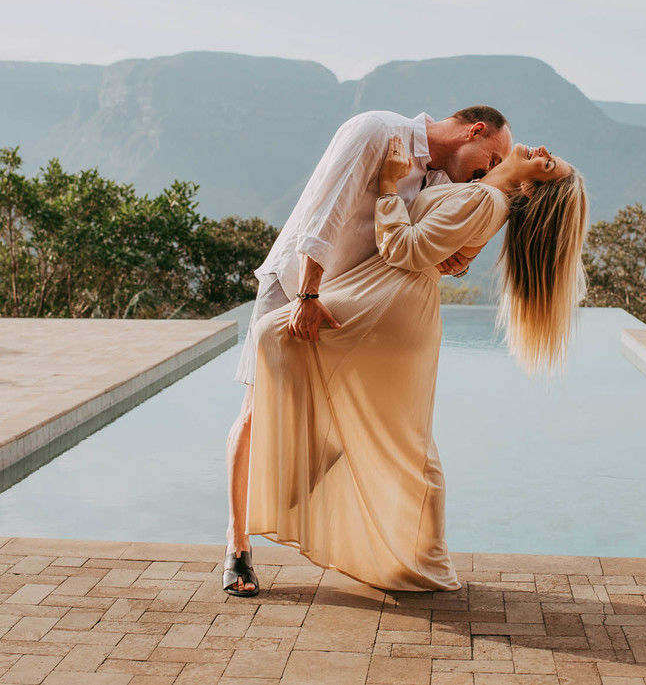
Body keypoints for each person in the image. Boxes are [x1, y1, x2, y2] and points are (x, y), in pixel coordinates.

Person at [238, 138, 589, 592]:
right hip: (396, 300)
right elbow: (433, 244)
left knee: (279, 339)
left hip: (391, 302)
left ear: (532, 189)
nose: (541, 149)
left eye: (548, 162)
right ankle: (327, 469)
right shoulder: (484, 195)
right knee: (404, 434)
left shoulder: (486, 201)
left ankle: (325, 474)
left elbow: (403, 250)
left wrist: (387, 187)